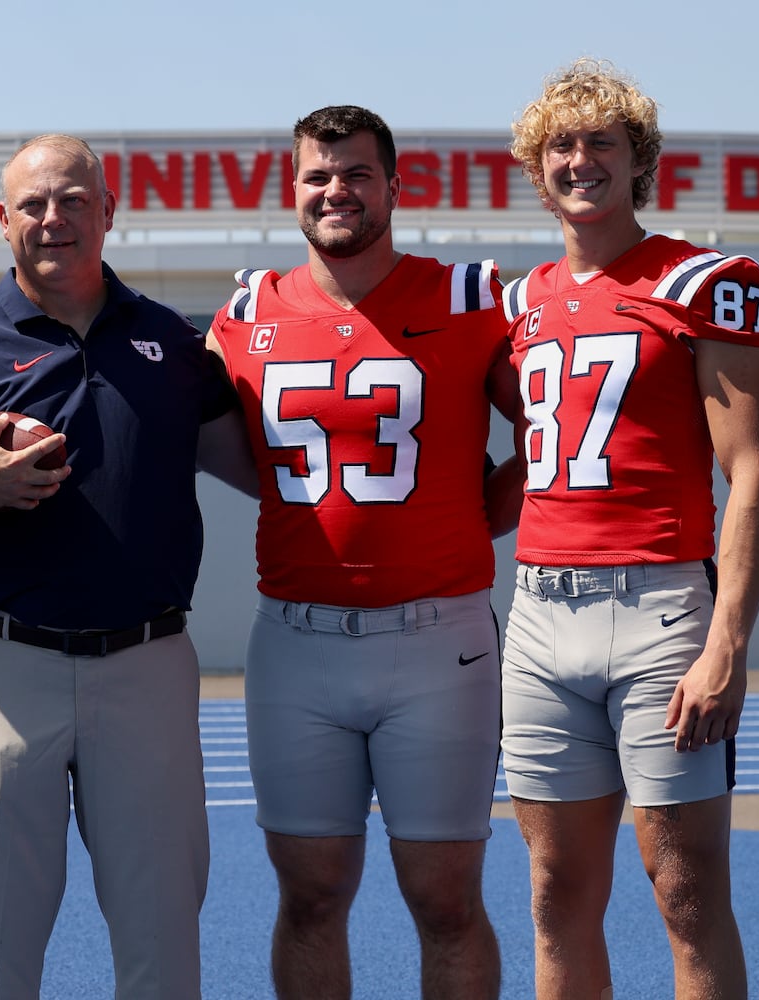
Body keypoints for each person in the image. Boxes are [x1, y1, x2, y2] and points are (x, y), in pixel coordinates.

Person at [0, 134, 252, 1000]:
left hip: (147, 662)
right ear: (4, 221)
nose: (53, 218)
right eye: (33, 203)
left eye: (73, 199)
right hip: (5, 667)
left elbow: (269, 467)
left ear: (108, 212)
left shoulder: (171, 342)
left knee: (162, 945)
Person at [206, 105, 522, 999]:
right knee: (309, 896)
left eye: (354, 174)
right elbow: (208, 442)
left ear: (393, 185)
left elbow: (550, 436)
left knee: (446, 898)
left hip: (439, 639)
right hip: (297, 639)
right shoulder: (248, 310)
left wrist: (471, 518)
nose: (335, 190)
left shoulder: (467, 297)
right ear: (293, 190)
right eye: (317, 175)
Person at [499, 59, 759, 999]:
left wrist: (726, 644)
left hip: (661, 607)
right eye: (561, 146)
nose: (580, 160)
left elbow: (754, 473)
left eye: (601, 143)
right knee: (555, 893)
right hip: (539, 615)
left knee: (686, 893)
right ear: (536, 169)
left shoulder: (704, 281)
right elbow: (528, 460)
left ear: (638, 161)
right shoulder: (520, 301)